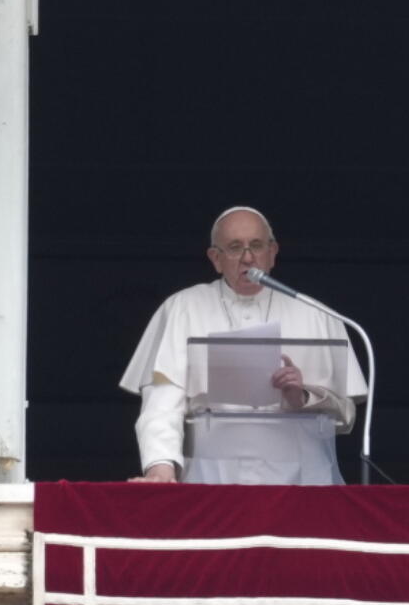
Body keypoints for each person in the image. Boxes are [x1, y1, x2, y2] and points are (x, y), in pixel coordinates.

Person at [120, 206, 367, 483]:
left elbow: (346, 416)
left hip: (302, 480)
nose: (248, 258)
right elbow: (162, 402)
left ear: (273, 252)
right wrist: (161, 467)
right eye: (235, 247)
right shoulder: (183, 308)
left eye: (257, 246)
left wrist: (303, 396)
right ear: (216, 258)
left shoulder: (317, 314)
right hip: (211, 478)